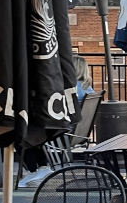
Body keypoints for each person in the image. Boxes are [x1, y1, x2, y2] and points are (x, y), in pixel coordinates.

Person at [18, 55, 98, 188]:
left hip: (64, 131)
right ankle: (41, 168)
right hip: (77, 132)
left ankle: (34, 170)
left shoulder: (71, 89)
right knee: (33, 134)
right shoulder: (87, 89)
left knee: (26, 134)